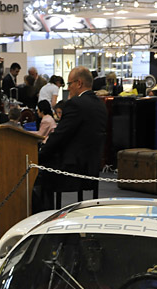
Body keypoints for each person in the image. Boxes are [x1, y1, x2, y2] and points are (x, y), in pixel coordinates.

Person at [35, 66, 107, 212]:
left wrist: (38, 157)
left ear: (79, 83)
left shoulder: (76, 104)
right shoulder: (100, 105)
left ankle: (44, 218)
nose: (68, 88)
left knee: (37, 174)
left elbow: (59, 136)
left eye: (69, 84)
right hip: (92, 167)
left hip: (72, 169)